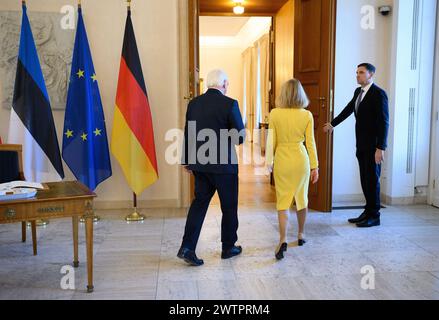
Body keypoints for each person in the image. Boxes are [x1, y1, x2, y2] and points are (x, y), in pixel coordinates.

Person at [178, 69, 245, 266]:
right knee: (229, 206)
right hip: (225, 167)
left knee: (198, 205)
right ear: (223, 84)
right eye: (228, 84)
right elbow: (239, 138)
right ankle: (228, 247)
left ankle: (187, 247)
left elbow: (188, 133)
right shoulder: (230, 104)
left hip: (200, 165)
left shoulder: (194, 103)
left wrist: (186, 160)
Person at [323, 63, 389, 228]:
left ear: (371, 75)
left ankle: (375, 216)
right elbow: (348, 109)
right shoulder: (358, 92)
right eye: (357, 72)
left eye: (361, 72)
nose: (357, 75)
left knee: (373, 180)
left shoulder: (379, 94)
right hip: (361, 145)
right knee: (365, 179)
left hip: (374, 147)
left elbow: (384, 122)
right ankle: (367, 212)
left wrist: (381, 148)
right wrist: (332, 124)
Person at [266, 79, 319, 261]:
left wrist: (269, 162)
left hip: (282, 159)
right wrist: (315, 166)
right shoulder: (306, 115)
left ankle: (282, 240)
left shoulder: (274, 113)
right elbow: (310, 143)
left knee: (283, 201)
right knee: (301, 198)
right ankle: (301, 234)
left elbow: (270, 140)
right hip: (300, 158)